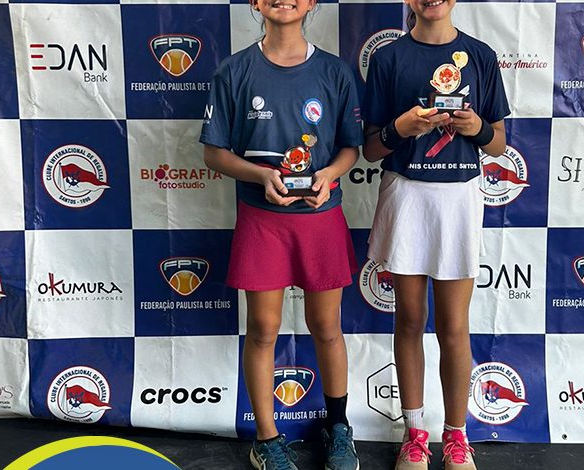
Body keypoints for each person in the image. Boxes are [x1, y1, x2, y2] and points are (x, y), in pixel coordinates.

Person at [199, 0, 363, 467]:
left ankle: (339, 427)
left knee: (327, 327)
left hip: (321, 217)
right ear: (255, 3)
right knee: (263, 330)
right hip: (261, 220)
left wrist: (329, 174)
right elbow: (213, 153)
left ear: (311, 3)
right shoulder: (234, 71)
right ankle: (267, 439)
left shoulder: (335, 71)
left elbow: (351, 148)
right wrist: (260, 175)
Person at [361, 0, 510, 468]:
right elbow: (370, 149)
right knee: (409, 319)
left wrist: (477, 127)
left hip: (459, 198)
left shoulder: (480, 55)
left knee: (453, 326)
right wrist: (400, 128)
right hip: (407, 195)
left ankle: (457, 436)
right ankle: (414, 434)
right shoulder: (388, 57)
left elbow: (498, 143)